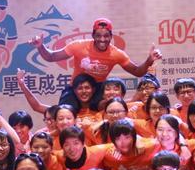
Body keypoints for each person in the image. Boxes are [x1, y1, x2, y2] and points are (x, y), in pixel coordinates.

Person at [29, 18, 162, 109]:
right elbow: (51, 56)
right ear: (93, 36)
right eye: (98, 36)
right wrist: (40, 46)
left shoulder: (116, 53)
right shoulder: (78, 46)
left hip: (98, 89)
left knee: (106, 109)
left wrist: (149, 60)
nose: (102, 39)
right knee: (65, 112)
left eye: (106, 36)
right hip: (76, 87)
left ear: (111, 36)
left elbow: (137, 71)